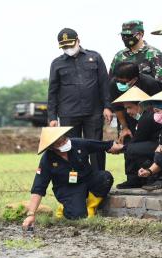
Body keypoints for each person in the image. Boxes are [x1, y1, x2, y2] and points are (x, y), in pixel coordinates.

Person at [21, 127, 122, 229]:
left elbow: (102, 145)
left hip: (88, 179)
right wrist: (31, 214)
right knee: (77, 215)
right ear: (51, 147)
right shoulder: (47, 160)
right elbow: (38, 188)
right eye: (60, 143)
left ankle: (91, 207)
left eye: (64, 139)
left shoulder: (78, 143)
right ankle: (66, 207)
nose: (65, 143)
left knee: (105, 178)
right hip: (68, 188)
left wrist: (116, 147)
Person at [47, 28, 113, 171]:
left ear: (78, 40)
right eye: (65, 47)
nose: (68, 49)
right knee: (72, 149)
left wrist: (107, 106)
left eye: (71, 45)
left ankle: (98, 182)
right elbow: (52, 92)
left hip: (93, 111)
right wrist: (52, 116)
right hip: (68, 113)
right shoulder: (56, 63)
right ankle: (78, 183)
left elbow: (104, 84)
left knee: (96, 147)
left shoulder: (95, 57)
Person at [111, 87, 162, 189]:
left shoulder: (147, 117)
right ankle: (136, 178)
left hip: (159, 146)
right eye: (126, 108)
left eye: (129, 107)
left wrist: (119, 148)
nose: (128, 112)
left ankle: (136, 179)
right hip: (153, 145)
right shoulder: (145, 116)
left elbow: (137, 140)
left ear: (140, 105)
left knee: (131, 148)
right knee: (131, 147)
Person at [110, 62, 162, 144]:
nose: (120, 84)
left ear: (134, 79)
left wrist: (143, 123)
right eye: (118, 81)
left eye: (123, 82)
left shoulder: (150, 83)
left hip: (149, 120)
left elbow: (158, 108)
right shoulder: (114, 84)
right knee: (128, 143)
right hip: (127, 118)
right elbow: (118, 108)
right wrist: (124, 127)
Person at [109, 20, 162, 89]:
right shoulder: (119, 56)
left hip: (146, 97)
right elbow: (111, 81)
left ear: (140, 34)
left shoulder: (155, 54)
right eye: (123, 36)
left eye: (129, 35)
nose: (126, 38)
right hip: (123, 98)